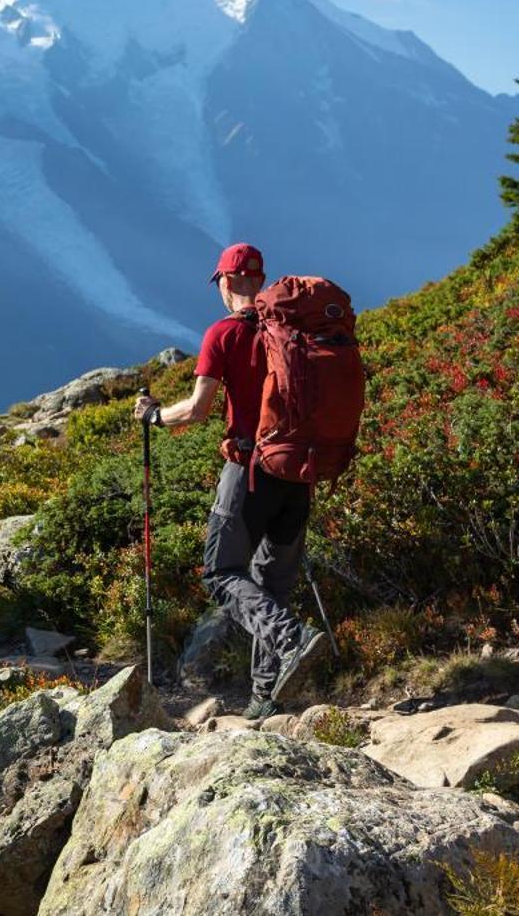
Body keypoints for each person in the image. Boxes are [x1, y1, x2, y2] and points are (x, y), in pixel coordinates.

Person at [134, 242, 329, 718]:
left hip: (248, 473)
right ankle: (266, 698)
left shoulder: (224, 334)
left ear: (226, 281)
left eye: (220, 281)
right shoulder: (294, 329)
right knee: (272, 583)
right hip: (298, 473)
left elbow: (198, 411)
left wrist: (155, 416)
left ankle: (290, 638)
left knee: (221, 574)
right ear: (259, 281)